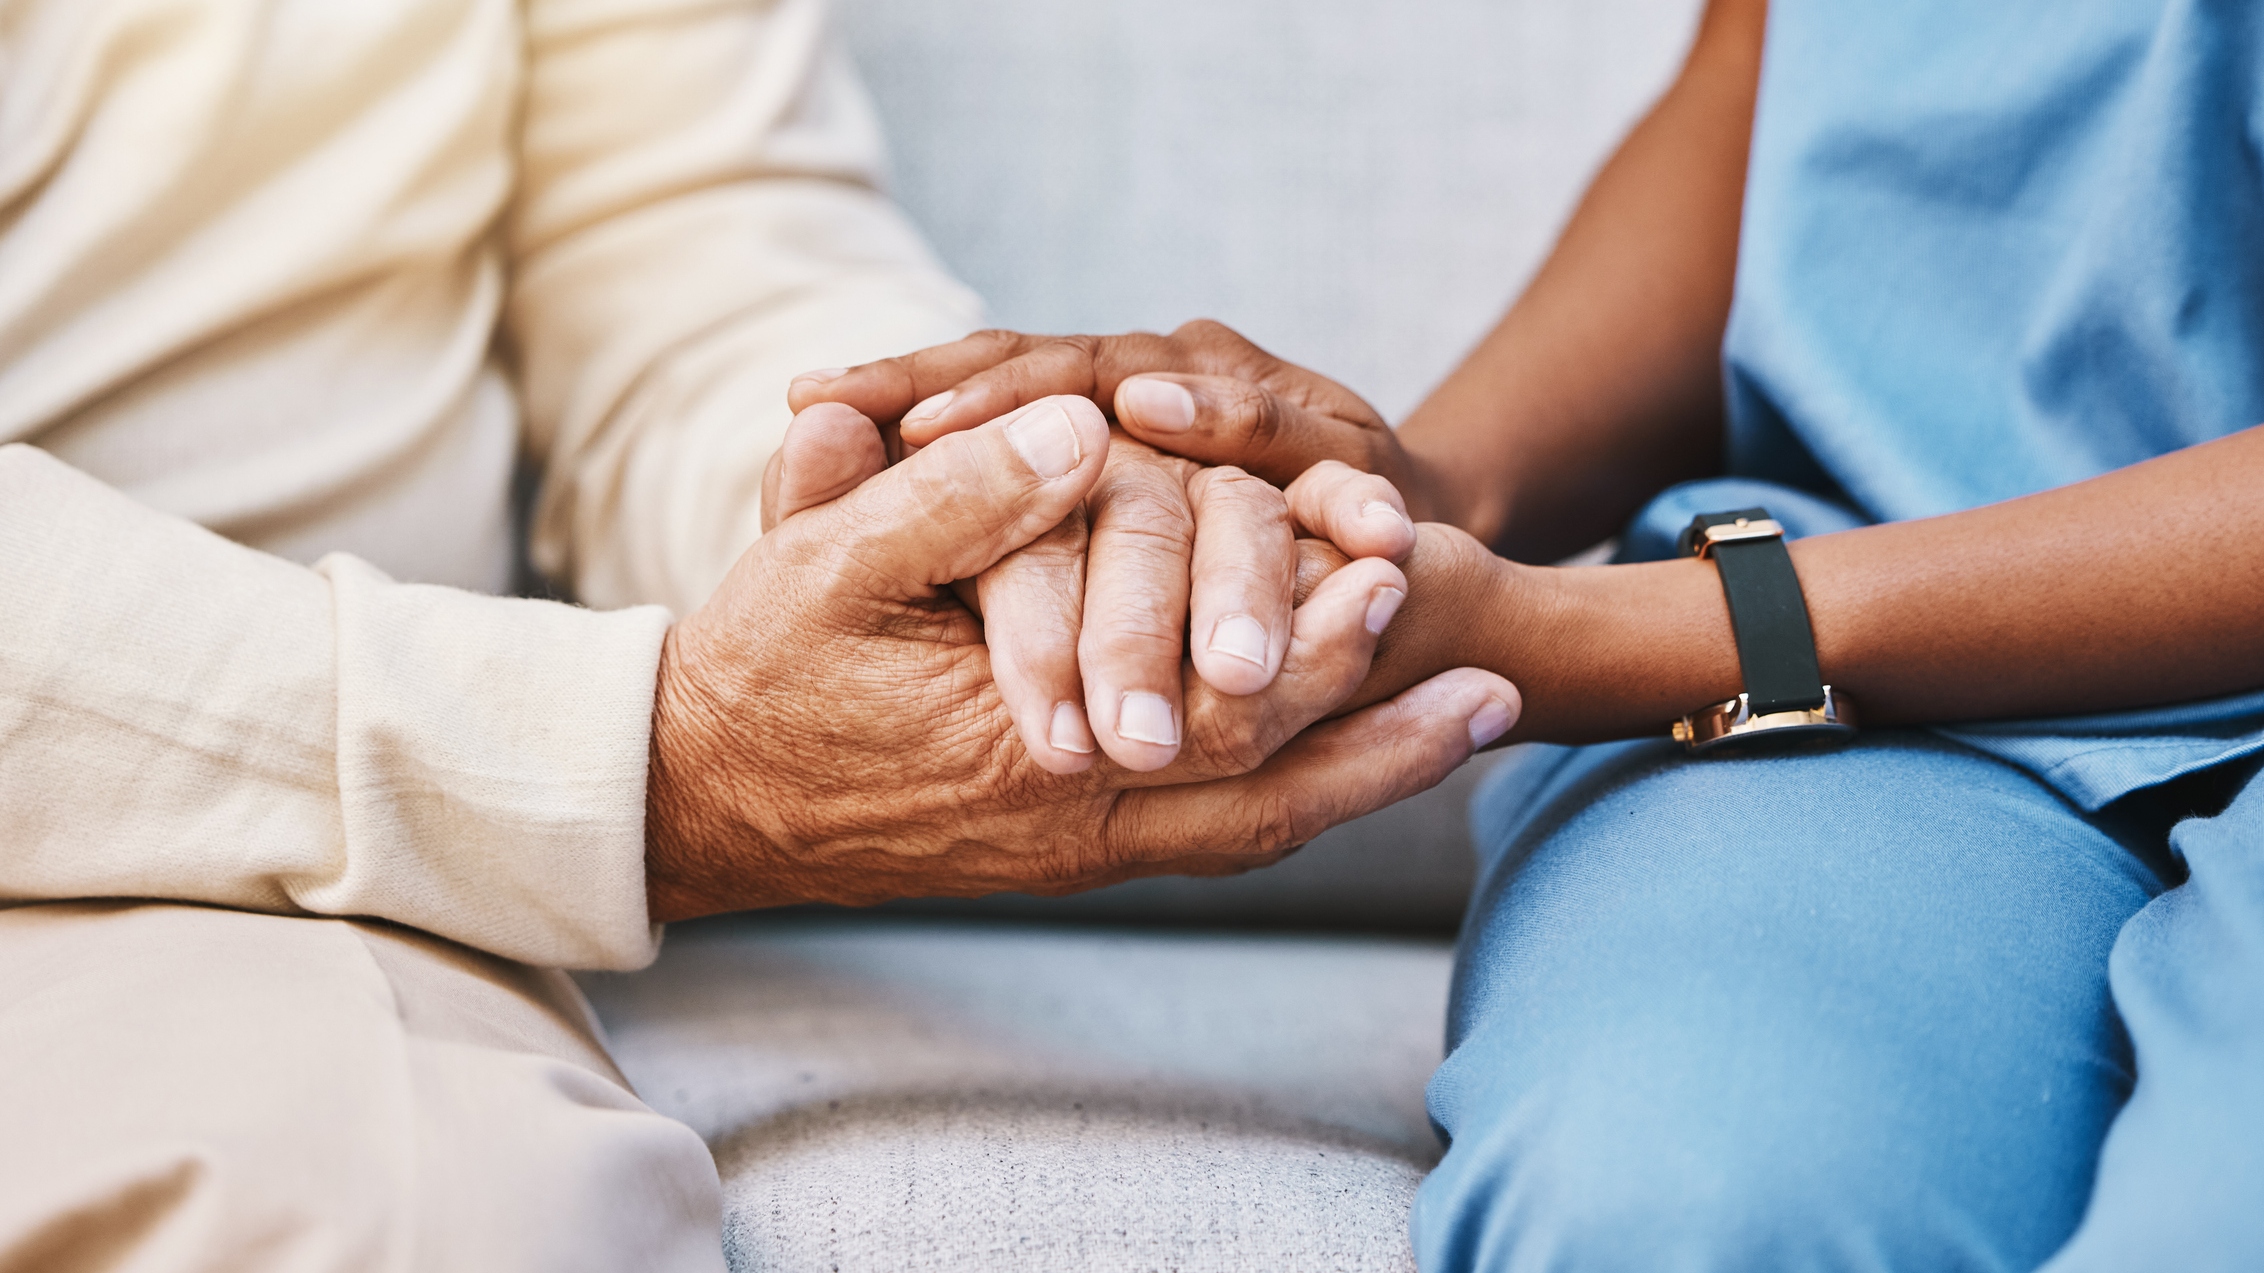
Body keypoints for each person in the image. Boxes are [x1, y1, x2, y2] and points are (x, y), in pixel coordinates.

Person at [0, 1, 1518, 1267]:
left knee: (443, 1215)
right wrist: (627, 760)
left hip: (258, 889)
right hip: (307, 771)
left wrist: (946, 502)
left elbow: (681, 249)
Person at [798, 0, 2264, 1266]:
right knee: (1680, 1196)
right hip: (1876, 728)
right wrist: (1417, 486)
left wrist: (1621, 634)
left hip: (1786, 638)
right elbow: (1781, 77)